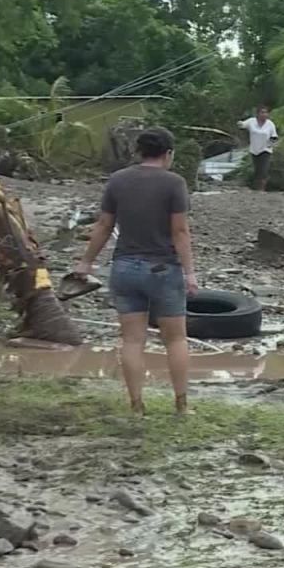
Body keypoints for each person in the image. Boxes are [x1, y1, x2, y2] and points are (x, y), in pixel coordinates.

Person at [74, 128, 197, 416]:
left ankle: (137, 406)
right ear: (168, 154)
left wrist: (85, 262)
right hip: (163, 268)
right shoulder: (174, 183)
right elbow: (180, 231)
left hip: (125, 267)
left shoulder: (118, 180)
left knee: (131, 340)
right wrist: (190, 273)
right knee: (176, 339)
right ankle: (181, 406)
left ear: (139, 152)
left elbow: (104, 225)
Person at [238, 105, 278, 191]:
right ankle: (256, 188)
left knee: (263, 170)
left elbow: (274, 136)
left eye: (266, 112)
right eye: (262, 112)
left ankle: (262, 189)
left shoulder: (270, 124)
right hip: (254, 149)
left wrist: (270, 145)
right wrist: (240, 123)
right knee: (257, 170)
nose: (264, 114)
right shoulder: (252, 121)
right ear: (257, 114)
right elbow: (243, 125)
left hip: (265, 149)